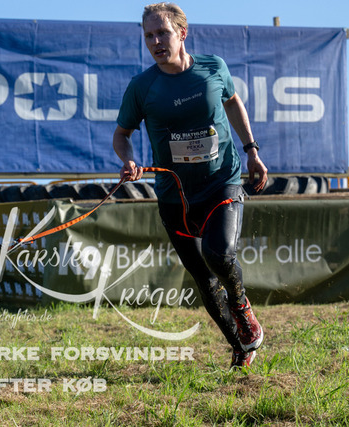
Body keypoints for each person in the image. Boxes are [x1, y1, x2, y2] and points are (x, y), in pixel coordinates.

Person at [113, 2, 268, 369]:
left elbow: (233, 103)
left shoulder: (213, 68)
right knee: (204, 279)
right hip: (175, 197)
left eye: (162, 33)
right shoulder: (142, 87)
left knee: (219, 254)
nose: (155, 42)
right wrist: (128, 160)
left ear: (182, 33)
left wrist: (251, 150)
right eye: (148, 36)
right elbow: (121, 135)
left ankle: (241, 306)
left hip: (221, 181)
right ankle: (241, 348)